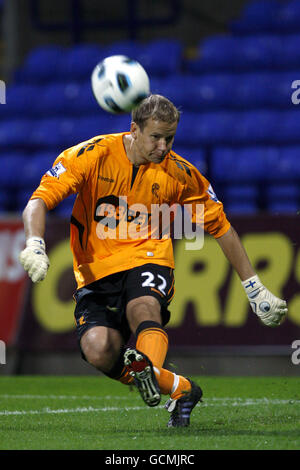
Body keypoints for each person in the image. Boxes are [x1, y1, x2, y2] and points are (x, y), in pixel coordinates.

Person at [19, 94, 288, 427]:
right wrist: (35, 242)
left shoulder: (180, 173)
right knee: (98, 350)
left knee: (143, 308)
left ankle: (148, 367)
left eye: (170, 138)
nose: (163, 146)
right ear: (134, 129)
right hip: (95, 270)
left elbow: (222, 228)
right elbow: (38, 201)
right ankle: (180, 387)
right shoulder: (92, 155)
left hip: (150, 257)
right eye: (156, 137)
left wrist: (254, 287)